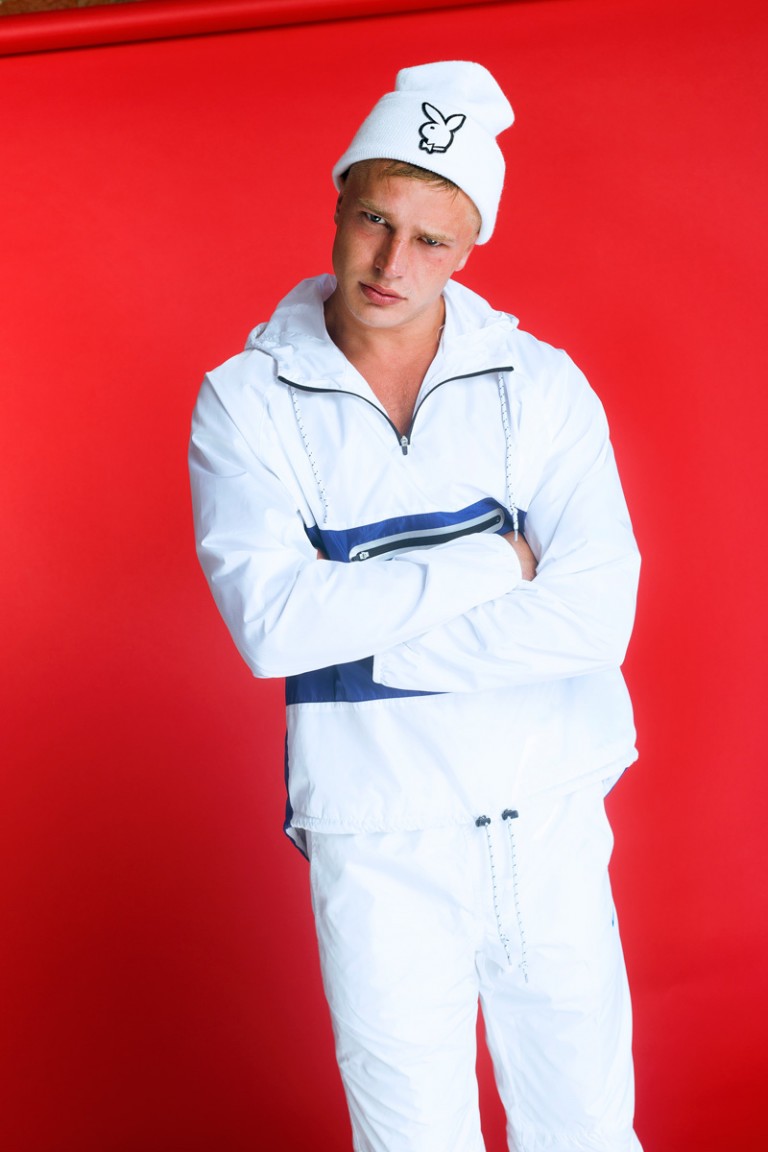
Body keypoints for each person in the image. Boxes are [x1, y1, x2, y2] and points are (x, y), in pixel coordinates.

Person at [189, 60, 642, 1152]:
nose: (393, 264)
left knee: (586, 1128)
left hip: (548, 812)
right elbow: (275, 627)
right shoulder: (244, 400)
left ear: (471, 246)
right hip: (376, 832)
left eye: (431, 240)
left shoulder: (542, 384)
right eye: (374, 222)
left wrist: (369, 641)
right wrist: (493, 564)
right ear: (339, 206)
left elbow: (595, 619)